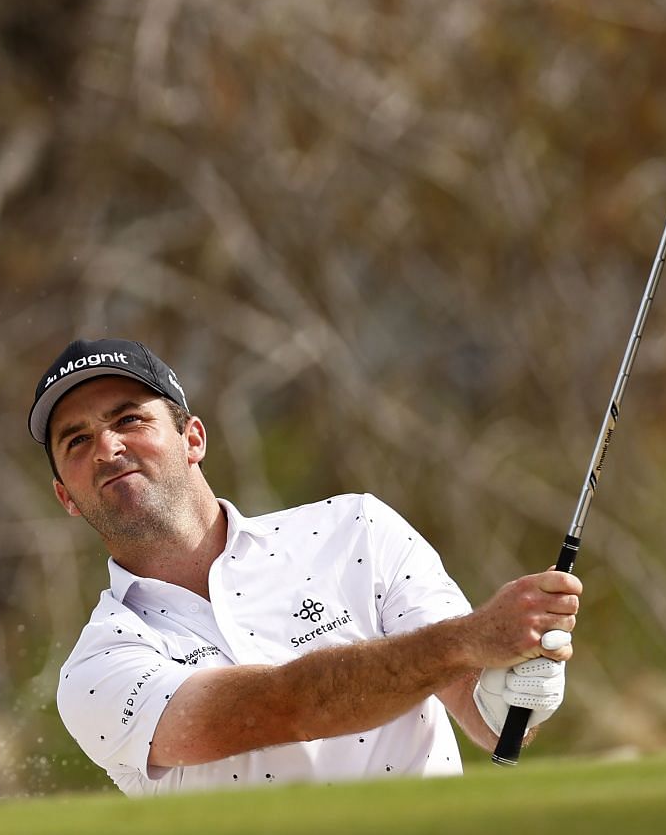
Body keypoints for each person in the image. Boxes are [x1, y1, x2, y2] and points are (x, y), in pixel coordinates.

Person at [31, 338, 575, 794]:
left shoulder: (356, 528)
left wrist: (519, 682)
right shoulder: (96, 667)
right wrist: (468, 638)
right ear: (66, 496)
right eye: (77, 440)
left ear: (192, 439)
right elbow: (278, 708)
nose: (107, 448)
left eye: (129, 419)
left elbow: (486, 717)